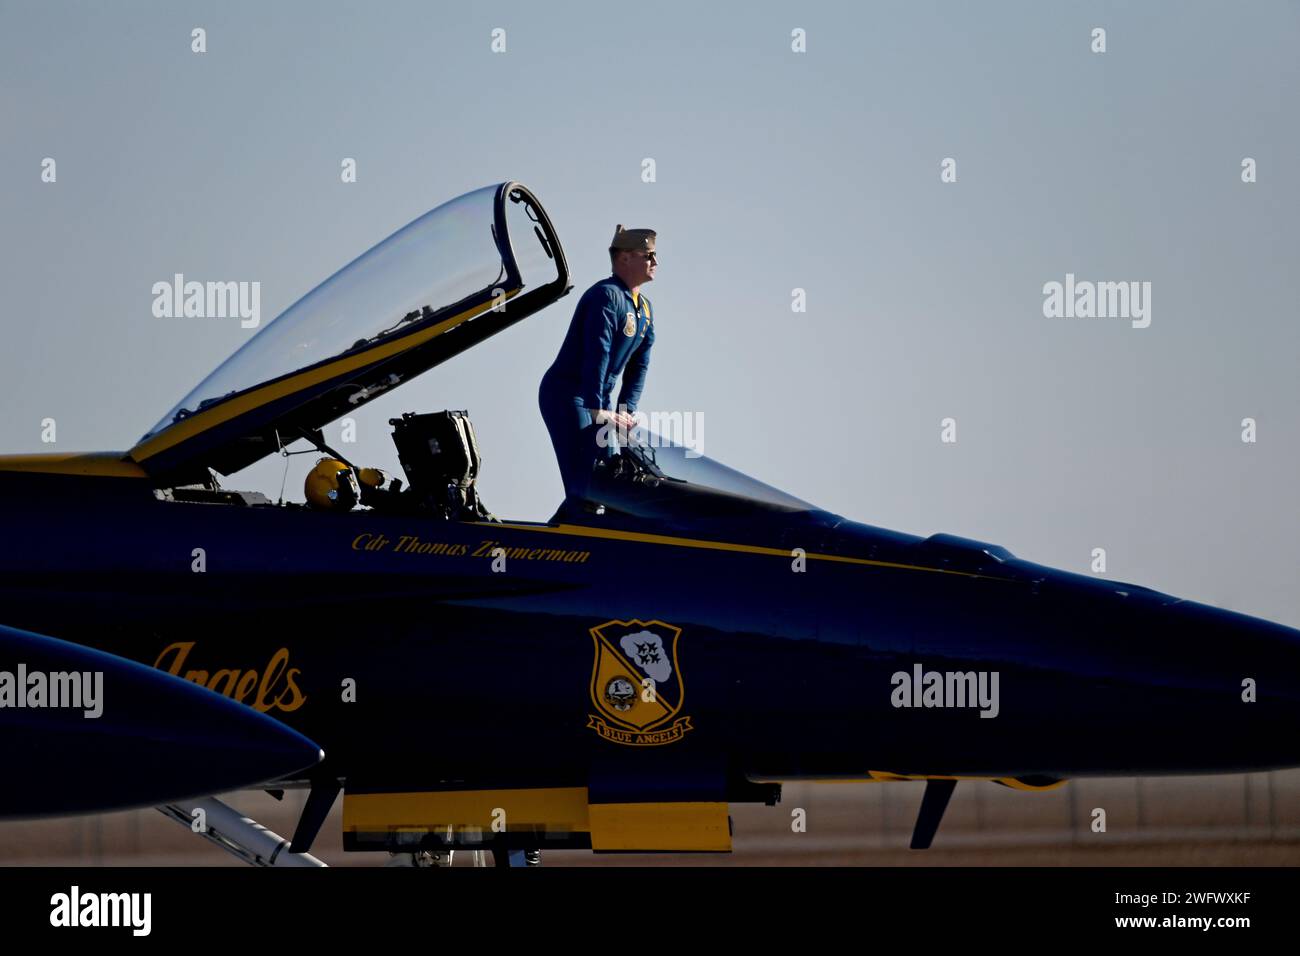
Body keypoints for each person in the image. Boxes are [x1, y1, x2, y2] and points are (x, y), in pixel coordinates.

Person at [538, 224, 656, 507]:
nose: (655, 262)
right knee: (586, 483)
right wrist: (596, 408)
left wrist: (625, 413)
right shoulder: (606, 296)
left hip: (598, 400)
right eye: (648, 255)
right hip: (568, 395)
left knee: (611, 478)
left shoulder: (645, 309)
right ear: (625, 258)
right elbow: (598, 351)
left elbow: (640, 364)